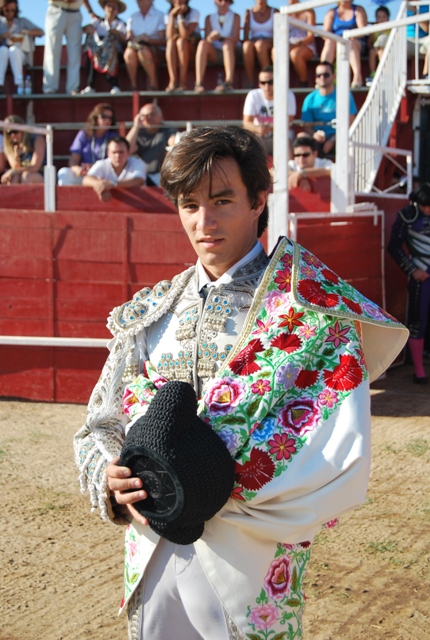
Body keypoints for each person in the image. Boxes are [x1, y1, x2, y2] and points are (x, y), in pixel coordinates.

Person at [74, 124, 407, 640]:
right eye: (189, 205)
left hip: (250, 559)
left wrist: (221, 488)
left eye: (222, 200)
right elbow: (98, 425)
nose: (203, 222)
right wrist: (111, 479)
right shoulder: (153, 311)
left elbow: (338, 453)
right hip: (153, 543)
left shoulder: (312, 313)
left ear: (259, 200)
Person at [388, 183, 430, 384]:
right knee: (417, 320)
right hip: (422, 275)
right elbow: (394, 245)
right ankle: (419, 372)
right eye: (425, 206)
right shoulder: (409, 214)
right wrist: (412, 269)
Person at [300, 61, 357, 158]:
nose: (322, 77)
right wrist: (314, 135)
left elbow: (350, 122)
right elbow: (307, 126)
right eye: (319, 75)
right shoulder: (310, 99)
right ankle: (305, 171)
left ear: (333, 76)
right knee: (302, 137)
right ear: (316, 78)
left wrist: (333, 139)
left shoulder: (344, 95)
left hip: (341, 136)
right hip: (318, 138)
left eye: (326, 74)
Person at [57, 102, 116, 186]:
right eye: (104, 117)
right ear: (95, 118)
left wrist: (95, 167)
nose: (107, 120)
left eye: (110, 118)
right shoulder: (84, 134)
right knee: (64, 173)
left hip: (103, 174)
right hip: (85, 173)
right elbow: (73, 160)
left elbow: (117, 159)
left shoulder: (113, 136)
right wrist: (77, 169)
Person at [43, 0, 94, 95]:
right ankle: (50, 88)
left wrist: (90, 12)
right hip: (56, 9)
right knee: (52, 50)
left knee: (75, 52)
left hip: (75, 11)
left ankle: (73, 88)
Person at [243, 65, 296, 156]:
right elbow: (246, 123)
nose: (267, 86)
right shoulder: (253, 95)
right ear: (259, 84)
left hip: (282, 134)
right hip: (260, 135)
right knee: (251, 144)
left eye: (270, 82)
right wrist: (258, 128)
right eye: (263, 82)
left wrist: (268, 128)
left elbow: (289, 121)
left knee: (285, 141)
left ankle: (289, 169)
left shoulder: (288, 94)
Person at [81, 0, 127, 95]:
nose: (111, 9)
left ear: (117, 11)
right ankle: (90, 85)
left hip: (114, 53)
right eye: (109, 6)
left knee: (111, 41)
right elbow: (85, 29)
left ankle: (114, 85)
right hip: (97, 52)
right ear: (104, 8)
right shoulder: (97, 22)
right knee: (90, 44)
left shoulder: (121, 24)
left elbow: (125, 40)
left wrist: (116, 34)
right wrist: (89, 29)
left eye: (114, 7)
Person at [194, 0, 241, 93]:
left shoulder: (236, 16)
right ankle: (198, 83)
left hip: (231, 51)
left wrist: (222, 37)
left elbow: (236, 38)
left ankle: (229, 82)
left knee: (227, 44)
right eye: (220, 0)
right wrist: (211, 37)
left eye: (226, 1)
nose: (223, 3)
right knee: (202, 43)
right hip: (215, 52)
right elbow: (207, 39)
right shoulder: (208, 18)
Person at [126, 102, 177, 186]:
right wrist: (136, 126)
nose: (149, 118)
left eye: (152, 114)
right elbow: (128, 149)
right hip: (142, 175)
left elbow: (173, 141)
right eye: (144, 116)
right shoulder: (139, 133)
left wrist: (174, 141)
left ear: (161, 116)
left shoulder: (167, 129)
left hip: (162, 175)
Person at [82, 135, 146, 201]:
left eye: (121, 152)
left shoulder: (138, 163)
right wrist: (102, 186)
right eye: (114, 152)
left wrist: (112, 184)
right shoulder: (101, 164)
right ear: (108, 153)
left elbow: (138, 180)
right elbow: (86, 179)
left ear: (128, 152)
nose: (117, 156)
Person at [320, 1, 368, 88]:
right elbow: (325, 33)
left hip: (355, 42)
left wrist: (349, 36)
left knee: (350, 43)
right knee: (329, 42)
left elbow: (363, 30)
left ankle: (357, 77)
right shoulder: (331, 12)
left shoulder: (358, 10)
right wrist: (336, 39)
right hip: (336, 43)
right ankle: (322, 75)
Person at [0, 0, 43, 94]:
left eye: (13, 10)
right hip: (2, 55)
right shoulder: (0, 23)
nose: (10, 13)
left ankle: (19, 84)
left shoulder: (22, 22)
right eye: (7, 10)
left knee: (13, 50)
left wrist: (26, 32)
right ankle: (0, 84)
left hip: (19, 54)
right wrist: (2, 36)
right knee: (3, 50)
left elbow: (41, 32)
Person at [124, 0, 165, 91]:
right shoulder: (132, 17)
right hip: (136, 49)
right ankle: (133, 86)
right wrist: (135, 39)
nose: (139, 1)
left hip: (156, 50)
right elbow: (128, 37)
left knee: (144, 51)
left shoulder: (160, 15)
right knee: (128, 53)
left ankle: (153, 83)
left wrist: (148, 40)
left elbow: (163, 40)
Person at [165, 0, 200, 93]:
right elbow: (170, 35)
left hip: (192, 50)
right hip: (175, 51)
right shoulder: (168, 14)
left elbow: (185, 35)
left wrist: (180, 16)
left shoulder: (194, 13)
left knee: (181, 41)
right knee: (170, 43)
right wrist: (172, 16)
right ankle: (172, 81)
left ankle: (182, 82)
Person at [242, 0, 278, 88]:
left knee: (260, 45)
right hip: (254, 42)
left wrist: (268, 41)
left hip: (270, 42)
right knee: (246, 46)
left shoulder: (275, 12)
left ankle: (269, 79)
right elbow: (246, 36)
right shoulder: (248, 12)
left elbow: (278, 34)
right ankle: (250, 82)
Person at [1, 114, 45, 184]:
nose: (13, 135)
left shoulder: (36, 139)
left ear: (22, 129)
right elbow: (16, 168)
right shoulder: (11, 146)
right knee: (14, 177)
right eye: (9, 133)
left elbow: (35, 167)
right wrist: (17, 156)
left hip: (41, 174)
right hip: (21, 175)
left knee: (26, 176)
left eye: (15, 131)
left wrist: (13, 171)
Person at [287, 0, 316, 88]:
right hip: (288, 45)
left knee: (295, 54)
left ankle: (304, 82)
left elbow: (311, 36)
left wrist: (297, 44)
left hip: (306, 45)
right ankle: (279, 82)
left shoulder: (308, 11)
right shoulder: (284, 13)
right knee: (276, 51)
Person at [365, 5, 390, 87]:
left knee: (381, 51)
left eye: (384, 16)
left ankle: (385, 73)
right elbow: (369, 42)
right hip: (376, 48)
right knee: (372, 52)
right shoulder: (374, 28)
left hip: (388, 49)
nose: (381, 19)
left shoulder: (391, 27)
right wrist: (370, 46)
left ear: (388, 17)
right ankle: (373, 73)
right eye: (379, 17)